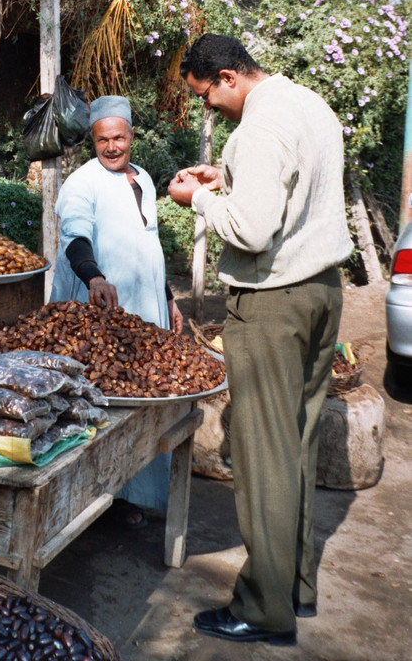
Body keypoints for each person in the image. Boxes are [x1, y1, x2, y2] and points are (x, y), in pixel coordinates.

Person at [168, 33, 352, 647]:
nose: (209, 111)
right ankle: (294, 588)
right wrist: (227, 176)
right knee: (295, 447)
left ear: (226, 76)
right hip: (322, 291)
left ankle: (264, 609)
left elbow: (251, 230)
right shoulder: (309, 104)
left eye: (207, 98)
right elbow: (293, 183)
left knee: (263, 456)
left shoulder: (258, 128)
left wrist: (199, 199)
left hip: (275, 303)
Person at [51, 94, 182, 526]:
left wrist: (167, 297)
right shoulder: (82, 183)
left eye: (119, 138)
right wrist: (94, 277)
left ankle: (138, 495)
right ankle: (101, 497)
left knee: (144, 396)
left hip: (146, 311)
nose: (111, 147)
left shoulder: (142, 177)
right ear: (93, 139)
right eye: (103, 139)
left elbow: (150, 242)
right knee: (104, 400)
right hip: (102, 311)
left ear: (131, 137)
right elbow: (75, 238)